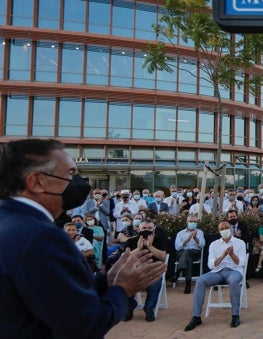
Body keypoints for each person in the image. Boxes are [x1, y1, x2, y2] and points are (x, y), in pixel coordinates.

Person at [0, 138, 165, 338]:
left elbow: (53, 292)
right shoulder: (41, 236)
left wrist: (107, 281)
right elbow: (84, 325)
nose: (79, 182)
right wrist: (122, 289)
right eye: (70, 173)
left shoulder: (10, 220)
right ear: (36, 181)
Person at [184, 220, 247, 331]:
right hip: (218, 271)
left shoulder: (240, 243)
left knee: (233, 281)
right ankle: (196, 316)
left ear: (231, 229)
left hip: (234, 271)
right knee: (200, 281)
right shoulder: (214, 244)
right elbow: (211, 265)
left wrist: (232, 255)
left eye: (226, 228)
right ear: (219, 231)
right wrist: (223, 256)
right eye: (222, 229)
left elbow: (241, 263)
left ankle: (235, 315)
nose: (224, 230)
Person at [122, 218, 168, 322]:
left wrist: (150, 246)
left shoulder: (159, 240)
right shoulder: (131, 241)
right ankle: (129, 308)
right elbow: (124, 258)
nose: (147, 230)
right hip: (134, 271)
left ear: (153, 229)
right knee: (125, 281)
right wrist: (138, 248)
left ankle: (149, 308)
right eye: (144, 228)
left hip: (153, 271)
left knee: (156, 281)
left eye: (149, 228)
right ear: (139, 229)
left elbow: (162, 256)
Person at [173, 214, 205, 294]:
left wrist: (195, 238)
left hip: (195, 252)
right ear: (187, 222)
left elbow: (202, 245)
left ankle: (178, 272)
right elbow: (177, 247)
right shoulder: (180, 233)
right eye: (191, 221)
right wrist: (187, 240)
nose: (193, 223)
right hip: (182, 253)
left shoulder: (200, 232)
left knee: (187, 253)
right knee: (188, 258)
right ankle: (188, 284)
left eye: (195, 221)